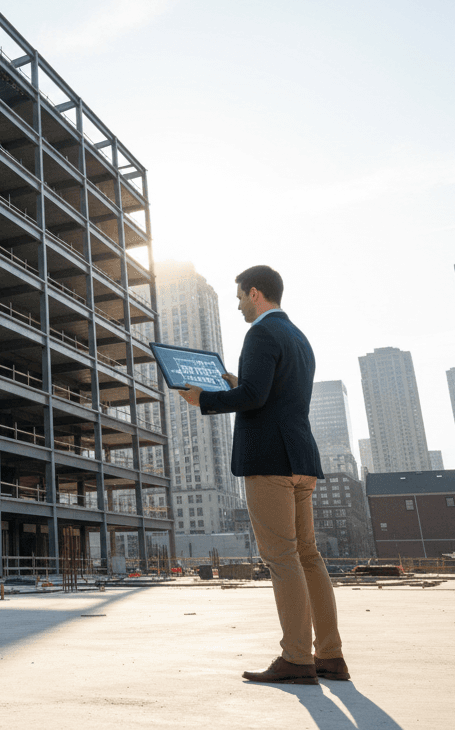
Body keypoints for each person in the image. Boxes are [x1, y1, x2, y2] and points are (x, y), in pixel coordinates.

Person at [177, 265, 347, 685]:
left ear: (255, 293)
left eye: (239, 297)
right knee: (308, 556)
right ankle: (330, 655)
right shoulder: (298, 337)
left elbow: (253, 398)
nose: (237, 305)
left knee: (282, 557)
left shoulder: (260, 334)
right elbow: (268, 392)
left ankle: (296, 659)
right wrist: (237, 383)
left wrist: (204, 399)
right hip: (301, 460)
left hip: (269, 462)